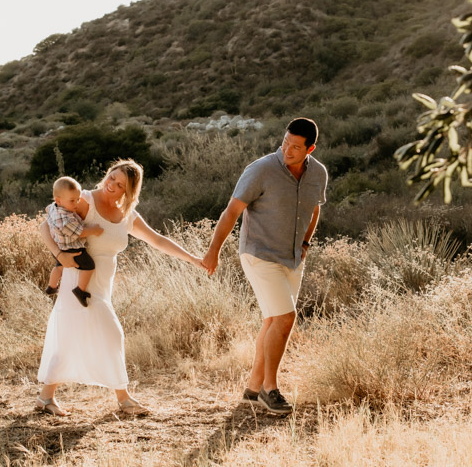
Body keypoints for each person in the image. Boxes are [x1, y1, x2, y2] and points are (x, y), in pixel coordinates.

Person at [36, 159, 207, 417]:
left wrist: (193, 259)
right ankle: (124, 399)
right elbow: (45, 226)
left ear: (129, 191)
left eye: (119, 184)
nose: (111, 185)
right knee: (111, 334)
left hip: (102, 284)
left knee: (71, 336)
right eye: (111, 177)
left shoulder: (128, 215)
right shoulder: (85, 201)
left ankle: (45, 398)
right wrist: (59, 255)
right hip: (78, 281)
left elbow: (157, 240)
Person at [202, 118, 327, 415]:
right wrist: (213, 251)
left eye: (295, 147)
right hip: (259, 253)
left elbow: (314, 209)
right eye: (285, 143)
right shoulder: (261, 169)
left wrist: (305, 243)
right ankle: (270, 389)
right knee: (285, 318)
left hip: (292, 257)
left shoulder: (318, 173)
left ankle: (253, 387)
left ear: (310, 149)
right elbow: (232, 211)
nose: (287, 150)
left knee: (273, 320)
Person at [44, 176, 104, 307]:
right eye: (72, 201)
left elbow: (47, 209)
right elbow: (79, 232)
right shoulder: (66, 219)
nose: (76, 204)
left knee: (59, 267)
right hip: (73, 249)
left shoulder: (53, 207)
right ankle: (80, 290)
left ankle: (51, 286)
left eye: (78, 199)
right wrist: (94, 230)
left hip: (60, 247)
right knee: (89, 266)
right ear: (58, 200)